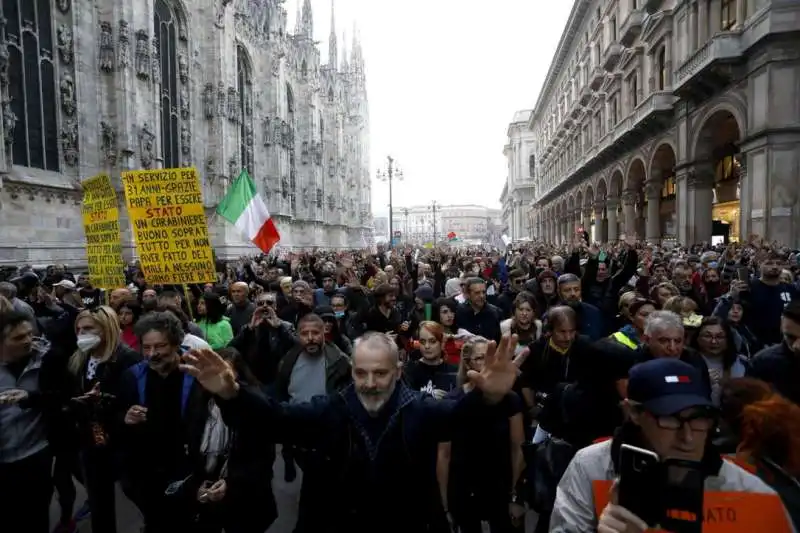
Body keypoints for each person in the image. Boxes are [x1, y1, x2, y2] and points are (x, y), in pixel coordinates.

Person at [180, 332, 525, 533]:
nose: (370, 384)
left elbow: (459, 417)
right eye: (362, 373)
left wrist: (490, 396)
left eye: (380, 374)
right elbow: (276, 419)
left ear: (398, 370)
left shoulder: (420, 410)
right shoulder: (330, 409)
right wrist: (232, 394)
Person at [550, 358, 795, 532]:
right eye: (669, 420)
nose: (687, 438)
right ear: (633, 412)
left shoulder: (748, 491)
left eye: (699, 419)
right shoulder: (591, 467)